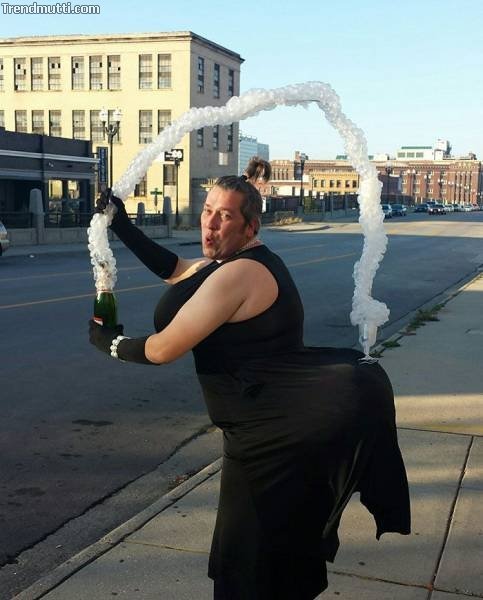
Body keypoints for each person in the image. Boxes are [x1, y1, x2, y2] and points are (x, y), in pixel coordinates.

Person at [89, 157, 410, 600]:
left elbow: (163, 349)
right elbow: (175, 269)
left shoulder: (241, 273)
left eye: (224, 216)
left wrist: (108, 342)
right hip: (257, 434)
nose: (210, 224)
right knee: (258, 559)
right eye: (207, 211)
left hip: (270, 441)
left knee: (249, 565)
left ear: (250, 227)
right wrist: (122, 225)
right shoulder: (229, 262)